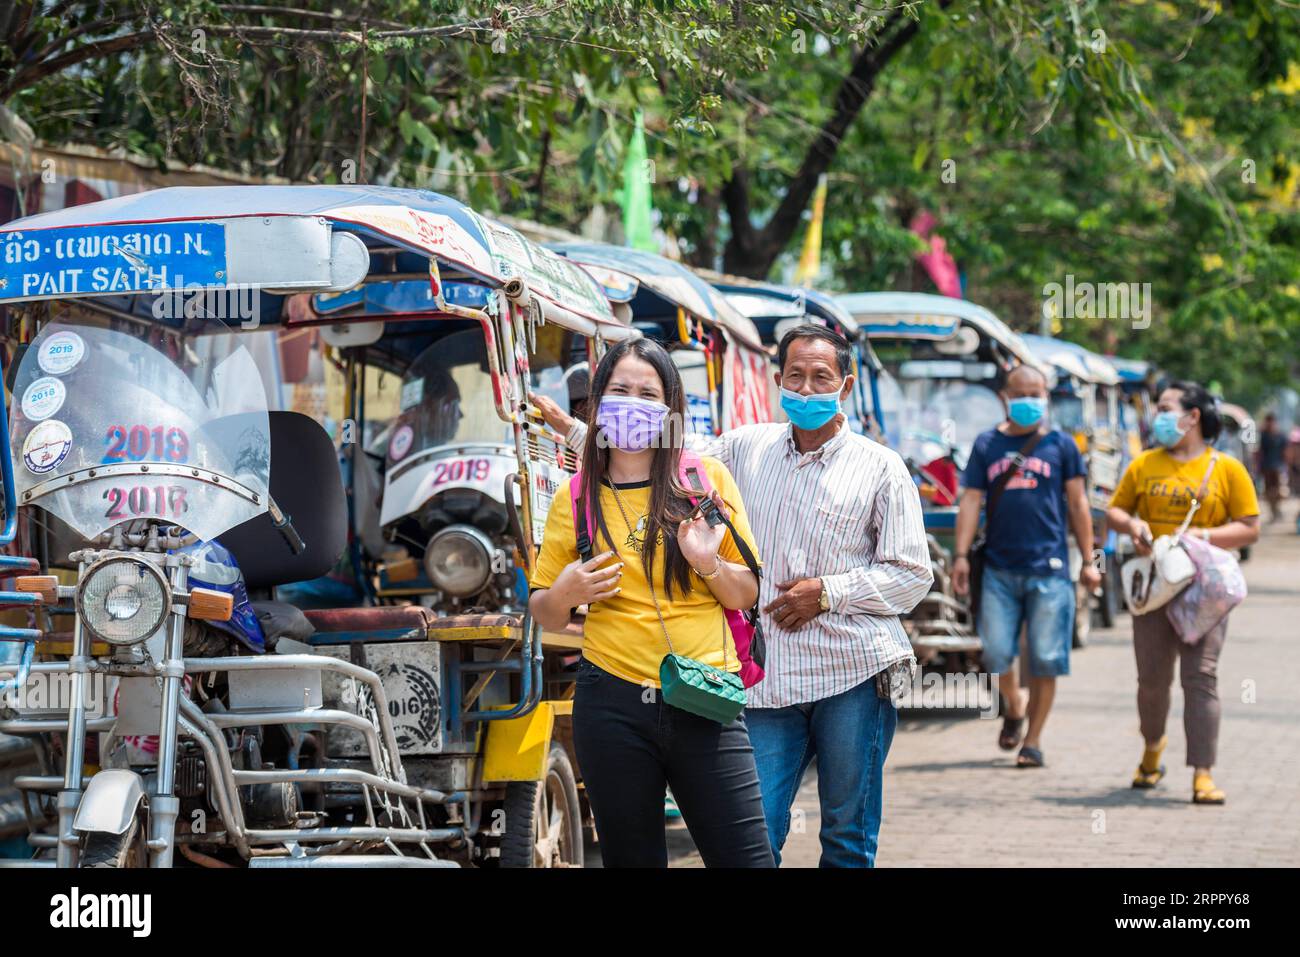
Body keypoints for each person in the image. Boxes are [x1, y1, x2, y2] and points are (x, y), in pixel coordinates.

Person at [537, 325, 932, 867]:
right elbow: (653, 455)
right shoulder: (746, 447)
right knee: (757, 839)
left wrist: (829, 593)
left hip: (851, 671)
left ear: (846, 384)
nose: (808, 388)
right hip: (765, 683)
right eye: (796, 376)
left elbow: (913, 575)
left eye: (822, 378)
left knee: (845, 837)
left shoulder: (880, 467)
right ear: (778, 381)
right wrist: (573, 432)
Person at [527, 337, 773, 867]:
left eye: (648, 392)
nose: (633, 402)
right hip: (610, 702)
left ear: (669, 409)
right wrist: (566, 592)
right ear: (594, 404)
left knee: (747, 859)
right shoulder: (574, 497)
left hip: (704, 696)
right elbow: (544, 611)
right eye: (619, 390)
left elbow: (747, 592)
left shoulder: (704, 481)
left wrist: (708, 564)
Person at [1106, 381, 1260, 805]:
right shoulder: (1143, 464)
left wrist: (1204, 535)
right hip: (1155, 586)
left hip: (1205, 589)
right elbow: (1116, 510)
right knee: (1152, 681)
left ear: (1193, 417)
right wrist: (1134, 527)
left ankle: (1203, 773)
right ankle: (1153, 748)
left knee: (1201, 677)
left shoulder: (1227, 468)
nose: (1159, 414)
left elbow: (1250, 526)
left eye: (1166, 407)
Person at [952, 364, 1100, 768]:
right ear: (1005, 398)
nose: (1031, 401)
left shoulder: (1062, 445)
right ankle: (1014, 706)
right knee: (997, 653)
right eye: (1023, 394)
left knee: (1047, 656)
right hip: (999, 568)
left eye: (1038, 394)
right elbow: (970, 501)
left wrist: (1089, 561)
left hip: (1050, 569)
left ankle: (1032, 741)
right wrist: (961, 556)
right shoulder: (986, 446)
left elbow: (1078, 504)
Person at [1256, 412, 1286, 523]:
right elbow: (1259, 452)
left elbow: (1285, 452)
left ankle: (1277, 509)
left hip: (1277, 467)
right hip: (1267, 467)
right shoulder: (1263, 436)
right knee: (1269, 491)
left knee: (1278, 490)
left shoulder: (1280, 435)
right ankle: (1273, 510)